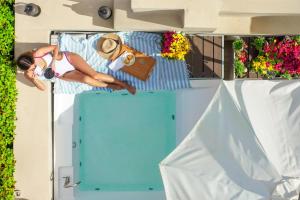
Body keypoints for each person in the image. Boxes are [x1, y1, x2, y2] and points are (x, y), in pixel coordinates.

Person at [16, 45, 136, 94]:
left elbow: (55, 47)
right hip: (63, 73)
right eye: (32, 67)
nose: (34, 66)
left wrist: (52, 61)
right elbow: (43, 88)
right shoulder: (29, 73)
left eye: (32, 63)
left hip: (66, 59)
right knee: (86, 79)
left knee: (95, 75)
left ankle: (123, 84)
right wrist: (34, 80)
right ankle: (110, 86)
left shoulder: (38, 53)